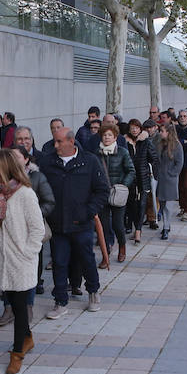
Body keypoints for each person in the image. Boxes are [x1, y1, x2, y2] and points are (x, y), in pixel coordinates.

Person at [41, 127, 109, 317]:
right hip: (58, 224)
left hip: (82, 224)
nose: (55, 146)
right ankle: (60, 301)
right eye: (54, 141)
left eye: (59, 142)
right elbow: (39, 189)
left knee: (87, 259)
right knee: (60, 262)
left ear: (71, 142)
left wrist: (89, 211)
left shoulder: (89, 161)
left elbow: (102, 190)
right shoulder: (48, 162)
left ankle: (93, 292)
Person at [0, 150, 45, 374]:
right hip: (3, 258)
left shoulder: (25, 194)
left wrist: (27, 254)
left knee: (20, 307)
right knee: (10, 300)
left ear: (3, 167)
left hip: (21, 260)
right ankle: (27, 337)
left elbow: (37, 228)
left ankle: (17, 352)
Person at [0, 147, 56, 325]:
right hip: (7, 240)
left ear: (26, 159)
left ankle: (27, 307)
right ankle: (8, 308)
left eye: (17, 157)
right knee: (8, 273)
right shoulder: (0, 185)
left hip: (28, 237)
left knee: (28, 275)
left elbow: (49, 201)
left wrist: (33, 215)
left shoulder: (36, 178)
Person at [96, 123, 135, 264]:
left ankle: (122, 247)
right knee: (104, 226)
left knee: (118, 224)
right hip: (102, 194)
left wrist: (123, 185)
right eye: (104, 135)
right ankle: (105, 255)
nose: (107, 138)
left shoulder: (123, 152)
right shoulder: (96, 153)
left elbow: (131, 170)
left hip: (118, 194)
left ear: (115, 137)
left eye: (109, 135)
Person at [124, 119, 157, 245]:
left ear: (140, 129)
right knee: (132, 204)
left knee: (142, 203)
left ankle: (138, 230)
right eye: (132, 127)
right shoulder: (125, 142)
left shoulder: (146, 142)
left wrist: (150, 171)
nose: (134, 130)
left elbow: (154, 158)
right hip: (130, 177)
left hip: (143, 176)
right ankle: (134, 226)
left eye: (136, 128)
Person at [155, 124, 184, 240]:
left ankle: (166, 227)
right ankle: (167, 225)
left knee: (168, 205)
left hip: (170, 179)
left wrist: (172, 173)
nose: (160, 133)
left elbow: (179, 163)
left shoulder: (176, 146)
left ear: (168, 132)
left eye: (162, 131)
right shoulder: (160, 144)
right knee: (162, 203)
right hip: (161, 178)